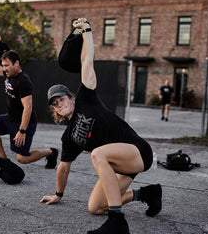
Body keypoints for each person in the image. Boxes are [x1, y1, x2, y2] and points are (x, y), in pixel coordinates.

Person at [40, 18, 162, 234]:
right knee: (95, 207)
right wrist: (58, 194)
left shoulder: (87, 98)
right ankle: (147, 194)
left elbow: (87, 61)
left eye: (61, 99)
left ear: (71, 97)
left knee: (97, 154)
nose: (59, 104)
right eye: (55, 104)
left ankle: (117, 222)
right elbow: (64, 167)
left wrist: (86, 30)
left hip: (137, 152)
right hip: (118, 166)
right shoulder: (69, 137)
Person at [0, 34, 58, 170]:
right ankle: (3, 160)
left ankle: (51, 152)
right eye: (3, 66)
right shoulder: (8, 74)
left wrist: (22, 131)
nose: (4, 69)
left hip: (25, 123)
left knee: (22, 158)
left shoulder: (23, 81)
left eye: (7, 66)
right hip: (11, 118)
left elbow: (28, 107)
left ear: (16, 63)